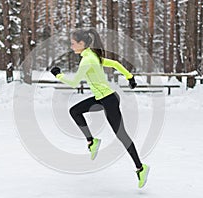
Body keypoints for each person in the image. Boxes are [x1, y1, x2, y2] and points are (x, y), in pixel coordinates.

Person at [50, 28, 149, 188]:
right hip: (100, 98)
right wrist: (129, 77)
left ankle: (140, 167)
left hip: (108, 100)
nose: (71, 46)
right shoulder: (91, 55)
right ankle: (92, 141)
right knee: (75, 111)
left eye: (73, 43)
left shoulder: (87, 60)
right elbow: (116, 64)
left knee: (121, 135)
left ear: (82, 44)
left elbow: (74, 83)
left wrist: (58, 75)